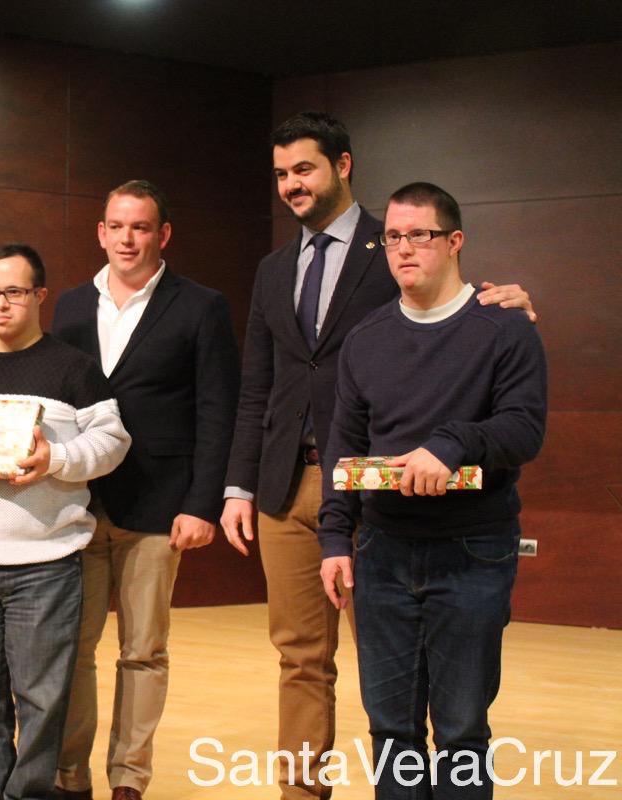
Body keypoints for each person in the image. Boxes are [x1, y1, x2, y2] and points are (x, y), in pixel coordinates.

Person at [220, 112, 536, 799]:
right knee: (300, 660)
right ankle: (301, 792)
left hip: (380, 490)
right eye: (280, 174)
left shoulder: (391, 241)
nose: (292, 185)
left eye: (304, 168)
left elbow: (450, 300)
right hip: (288, 483)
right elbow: (258, 385)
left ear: (343, 165)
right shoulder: (275, 268)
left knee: (408, 685)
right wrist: (237, 487)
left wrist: (506, 300)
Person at [317, 183, 546, 798]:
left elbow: (524, 430)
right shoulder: (367, 339)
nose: (403, 248)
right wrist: (335, 537)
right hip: (383, 554)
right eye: (392, 236)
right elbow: (345, 446)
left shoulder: (505, 329)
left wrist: (451, 444)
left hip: (473, 552)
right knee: (390, 730)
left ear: (454, 241)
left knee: (462, 730)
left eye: (419, 234)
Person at [51, 180, 239, 799]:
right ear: (101, 233)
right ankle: (70, 776)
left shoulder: (200, 305)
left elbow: (218, 410)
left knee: (143, 651)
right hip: (76, 503)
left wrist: (202, 503)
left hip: (161, 505)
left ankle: (129, 780)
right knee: (72, 652)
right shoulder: (72, 306)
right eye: (115, 226)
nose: (126, 238)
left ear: (163, 235)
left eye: (140, 227)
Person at [0, 243, 131, 800]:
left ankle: (27, 794)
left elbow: (114, 441)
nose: (0, 304)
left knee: (42, 699)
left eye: (14, 292)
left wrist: (57, 459)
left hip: (46, 563)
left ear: (39, 296)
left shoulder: (72, 368)